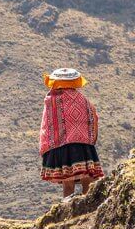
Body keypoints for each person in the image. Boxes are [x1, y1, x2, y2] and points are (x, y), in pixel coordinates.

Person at [39, 68, 104, 200]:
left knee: (67, 183)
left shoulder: (51, 100)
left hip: (62, 145)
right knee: (88, 179)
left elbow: (48, 124)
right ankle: (88, 204)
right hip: (83, 145)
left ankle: (67, 207)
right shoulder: (83, 99)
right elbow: (93, 118)